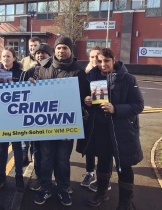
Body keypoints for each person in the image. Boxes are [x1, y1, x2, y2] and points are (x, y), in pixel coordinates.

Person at [83, 48, 143, 209]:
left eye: (106, 61)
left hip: (122, 131)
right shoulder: (92, 76)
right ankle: (101, 193)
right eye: (99, 61)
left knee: (124, 166)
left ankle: (125, 202)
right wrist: (87, 102)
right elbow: (91, 106)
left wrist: (115, 109)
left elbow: (138, 105)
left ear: (114, 60)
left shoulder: (128, 79)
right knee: (102, 162)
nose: (102, 64)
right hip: (101, 130)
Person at [33, 36, 89, 207]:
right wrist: (30, 85)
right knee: (46, 158)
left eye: (65, 48)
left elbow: (83, 98)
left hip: (66, 126)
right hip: (46, 125)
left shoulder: (78, 71)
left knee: (63, 159)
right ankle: (45, 187)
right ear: (54, 50)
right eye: (58, 48)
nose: (61, 51)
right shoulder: (42, 69)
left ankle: (63, 188)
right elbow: (35, 96)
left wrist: (86, 101)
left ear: (70, 50)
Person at [0, 47, 28, 192]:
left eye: (8, 56)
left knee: (17, 147)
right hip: (0, 116)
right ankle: (1, 175)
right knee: (3, 147)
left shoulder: (22, 74)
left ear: (14, 58)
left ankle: (18, 176)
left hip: (16, 117)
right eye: (3, 56)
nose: (6, 59)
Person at [79, 46, 113, 192]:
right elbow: (84, 95)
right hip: (90, 118)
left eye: (98, 58)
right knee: (90, 148)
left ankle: (104, 179)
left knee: (105, 152)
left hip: (106, 119)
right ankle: (89, 173)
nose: (95, 61)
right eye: (92, 58)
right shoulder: (87, 74)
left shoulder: (110, 74)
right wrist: (86, 100)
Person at [25, 43, 52, 192]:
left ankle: (46, 181)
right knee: (36, 151)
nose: (40, 55)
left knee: (47, 152)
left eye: (44, 53)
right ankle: (38, 177)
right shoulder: (28, 71)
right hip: (33, 117)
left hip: (48, 117)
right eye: (38, 53)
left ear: (50, 55)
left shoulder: (52, 70)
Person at [20, 36, 42, 165]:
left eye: (35, 46)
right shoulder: (24, 61)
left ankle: (34, 155)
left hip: (40, 103)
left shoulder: (46, 60)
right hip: (26, 101)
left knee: (36, 132)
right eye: (31, 46)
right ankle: (24, 154)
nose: (33, 48)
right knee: (24, 131)